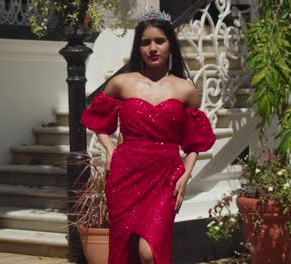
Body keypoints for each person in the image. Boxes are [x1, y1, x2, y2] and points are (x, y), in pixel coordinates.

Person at [81, 9, 216, 264]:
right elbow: (98, 121)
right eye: (145, 42)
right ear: (138, 48)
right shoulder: (121, 83)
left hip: (166, 177)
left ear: (170, 45)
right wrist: (110, 150)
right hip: (125, 174)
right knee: (125, 251)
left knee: (148, 252)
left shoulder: (185, 89)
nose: (153, 48)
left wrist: (185, 176)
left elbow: (195, 143)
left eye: (159, 41)